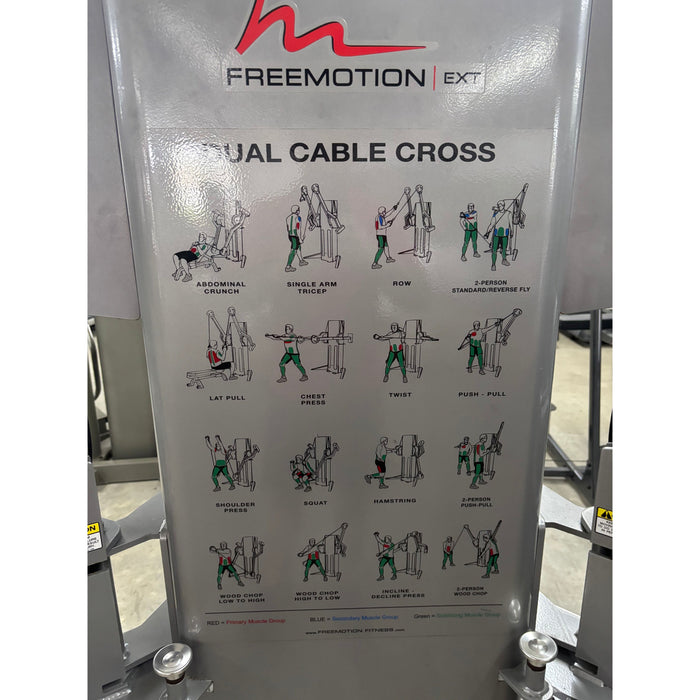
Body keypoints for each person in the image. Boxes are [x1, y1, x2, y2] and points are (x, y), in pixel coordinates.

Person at [486, 200, 512, 271]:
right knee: (494, 250)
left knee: (504, 249)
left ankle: (504, 260)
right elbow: (491, 224)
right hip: (496, 235)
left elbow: (510, 224)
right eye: (498, 205)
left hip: (505, 235)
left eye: (499, 205)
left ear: (503, 206)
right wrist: (487, 232)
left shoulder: (508, 213)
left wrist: (512, 231)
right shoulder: (496, 214)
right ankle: (493, 264)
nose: (498, 207)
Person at [371, 203, 399, 269]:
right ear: (380, 213)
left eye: (385, 211)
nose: (385, 213)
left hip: (383, 235)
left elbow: (388, 214)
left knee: (386, 247)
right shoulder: (378, 218)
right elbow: (378, 227)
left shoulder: (382, 216)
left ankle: (388, 258)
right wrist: (387, 225)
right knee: (381, 249)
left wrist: (393, 209)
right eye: (383, 212)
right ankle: (374, 263)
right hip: (380, 235)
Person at [285, 205, 308, 272]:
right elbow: (298, 228)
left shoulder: (288, 218)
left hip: (290, 235)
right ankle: (288, 266)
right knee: (293, 250)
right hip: (295, 236)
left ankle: (301, 260)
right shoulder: (298, 218)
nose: (299, 211)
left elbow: (287, 228)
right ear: (297, 211)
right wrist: (300, 238)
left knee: (298, 247)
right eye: (299, 210)